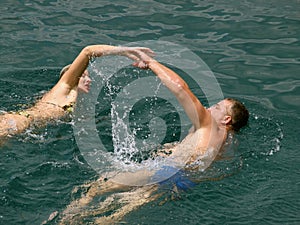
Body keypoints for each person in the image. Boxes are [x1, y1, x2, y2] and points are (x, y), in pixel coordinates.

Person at [56, 49, 249, 224]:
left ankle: (64, 218)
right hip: (184, 181)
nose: (209, 108)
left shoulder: (209, 123)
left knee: (96, 189)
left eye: (216, 107)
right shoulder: (228, 141)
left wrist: (151, 63)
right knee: (117, 213)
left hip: (167, 170)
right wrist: (174, 149)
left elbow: (180, 88)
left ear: (226, 119)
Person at [0, 45, 155, 145]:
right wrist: (126, 52)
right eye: (82, 75)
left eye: (88, 76)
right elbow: (88, 51)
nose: (88, 79)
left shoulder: (79, 103)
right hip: (15, 123)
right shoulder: (63, 89)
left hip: (23, 131)